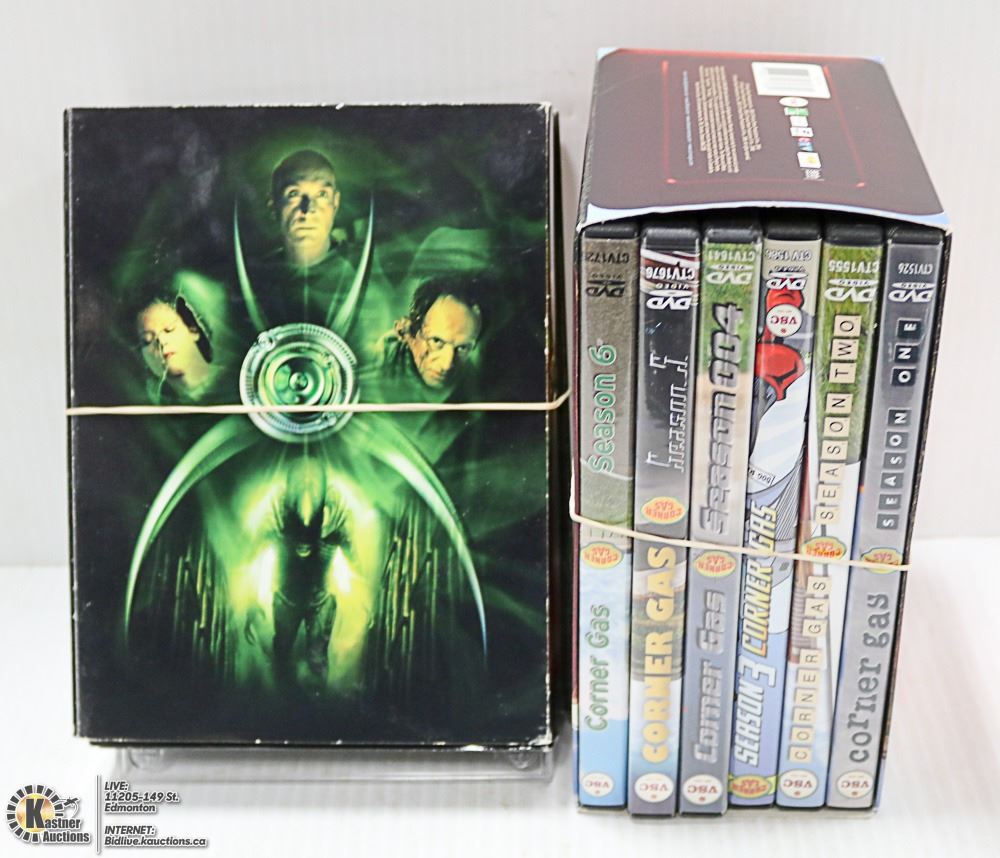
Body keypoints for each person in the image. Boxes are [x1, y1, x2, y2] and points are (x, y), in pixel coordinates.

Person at [380, 275, 484, 395]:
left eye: (463, 348)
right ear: (412, 331)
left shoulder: (473, 384)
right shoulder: (381, 359)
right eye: (436, 341)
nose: (447, 365)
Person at [136, 295, 217, 403]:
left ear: (193, 329)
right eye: (147, 340)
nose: (161, 341)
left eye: (169, 329)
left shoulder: (231, 381)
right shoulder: (147, 406)